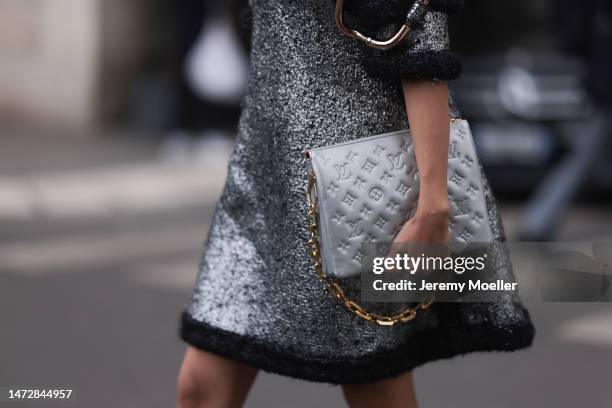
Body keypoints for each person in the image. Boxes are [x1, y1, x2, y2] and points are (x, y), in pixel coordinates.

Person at [177, 1, 535, 407]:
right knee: (201, 385)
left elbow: (421, 38)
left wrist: (433, 204)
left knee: (374, 383)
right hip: (262, 182)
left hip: (352, 187)